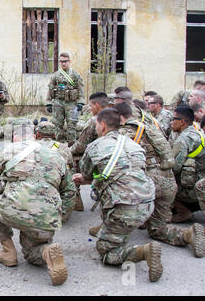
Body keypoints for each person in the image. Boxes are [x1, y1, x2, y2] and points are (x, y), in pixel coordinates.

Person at [0, 119, 76, 286]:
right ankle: (47, 252)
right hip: (45, 218)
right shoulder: (56, 156)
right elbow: (69, 192)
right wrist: (61, 217)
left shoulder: (6, 151)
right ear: (34, 136)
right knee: (33, 255)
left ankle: (8, 252)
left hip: (13, 211)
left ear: (14, 137)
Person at [74, 108, 162, 282]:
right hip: (148, 202)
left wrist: (81, 179)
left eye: (97, 125)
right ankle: (114, 231)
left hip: (125, 207)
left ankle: (142, 251)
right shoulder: (134, 144)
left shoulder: (95, 146)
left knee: (106, 252)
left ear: (103, 125)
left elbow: (87, 174)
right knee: (110, 194)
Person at [114, 103, 204, 258]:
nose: (171, 122)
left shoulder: (125, 132)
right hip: (173, 184)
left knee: (121, 194)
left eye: (174, 119)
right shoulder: (157, 129)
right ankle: (188, 234)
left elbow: (174, 165)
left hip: (166, 185)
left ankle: (113, 234)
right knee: (158, 228)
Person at [34, 120, 79, 221]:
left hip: (33, 186)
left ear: (37, 134)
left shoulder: (30, 146)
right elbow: (71, 168)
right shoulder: (62, 147)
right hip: (56, 185)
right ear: (54, 135)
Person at [170, 105, 205, 224]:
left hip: (196, 187)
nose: (171, 122)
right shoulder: (198, 133)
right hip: (201, 180)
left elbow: (174, 168)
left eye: (174, 119)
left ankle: (183, 210)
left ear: (182, 122)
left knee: (161, 183)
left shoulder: (183, 139)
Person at [46, 52, 84, 145]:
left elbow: (80, 89)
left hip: (71, 103)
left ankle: (71, 149)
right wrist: (48, 102)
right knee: (57, 126)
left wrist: (80, 102)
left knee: (71, 126)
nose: (63, 63)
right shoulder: (55, 75)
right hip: (58, 102)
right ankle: (57, 148)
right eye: (61, 61)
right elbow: (50, 89)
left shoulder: (75, 74)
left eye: (65, 61)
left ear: (69, 61)